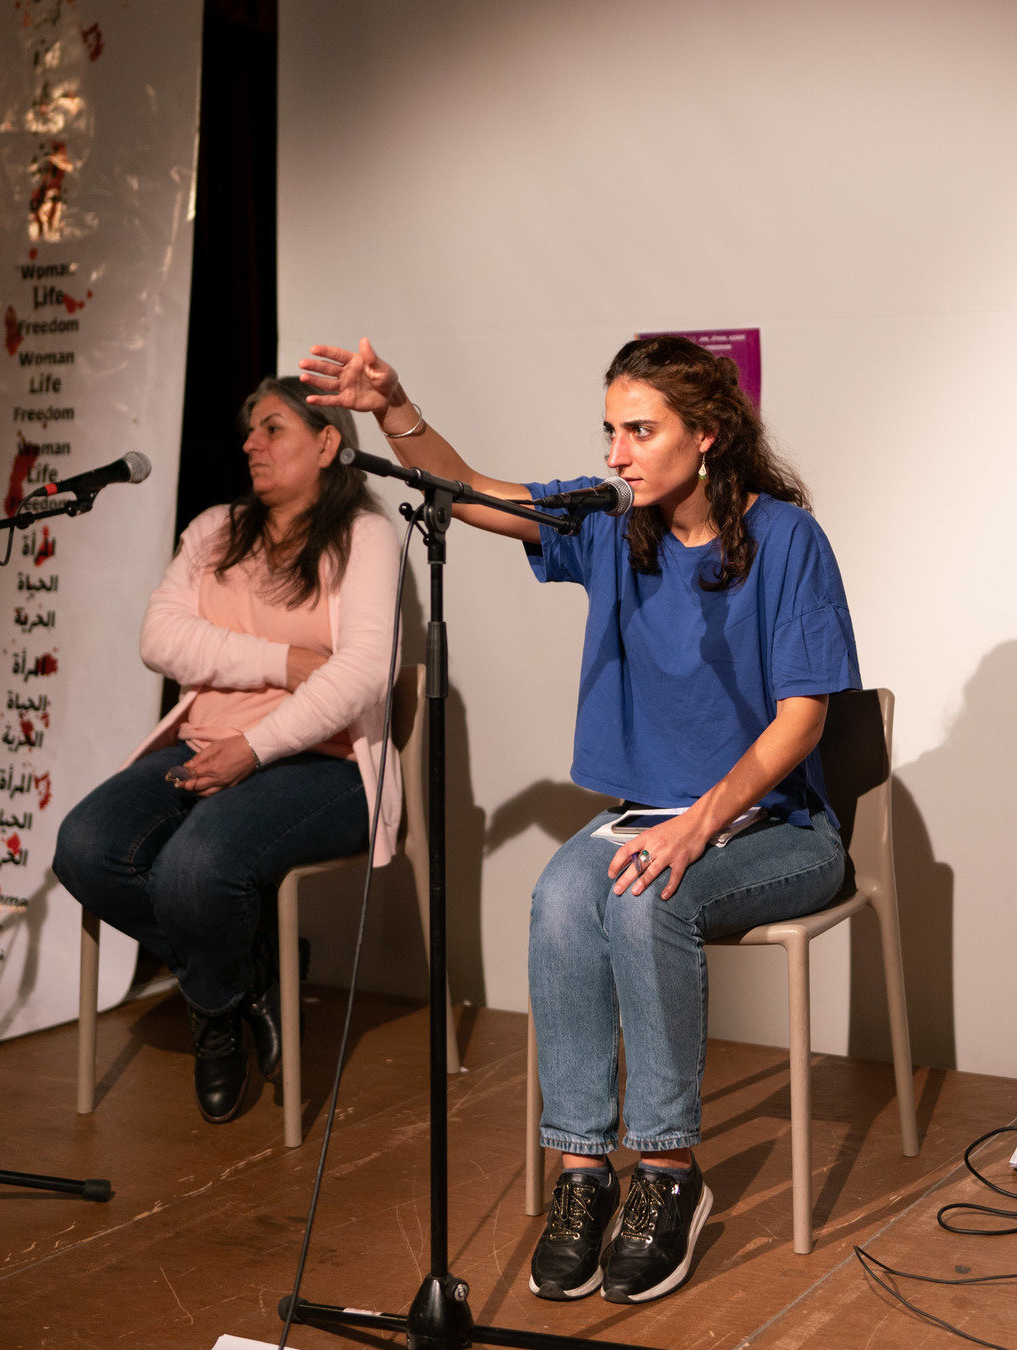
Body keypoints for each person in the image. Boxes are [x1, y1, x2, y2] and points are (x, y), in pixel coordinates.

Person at [300, 335, 861, 1305]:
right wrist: (393, 408)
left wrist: (696, 827)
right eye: (609, 431)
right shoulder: (610, 524)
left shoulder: (786, 539)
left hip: (779, 830)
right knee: (562, 899)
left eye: (639, 431)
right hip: (647, 817)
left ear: (707, 433)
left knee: (646, 898)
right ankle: (582, 1173)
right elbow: (471, 494)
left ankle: (668, 1172)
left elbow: (801, 720)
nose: (615, 454)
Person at [52, 377, 401, 1124]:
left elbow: (365, 672)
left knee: (196, 868)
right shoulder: (215, 529)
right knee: (85, 847)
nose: (251, 444)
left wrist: (256, 745)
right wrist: (283, 661)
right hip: (204, 741)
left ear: (327, 443)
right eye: (250, 430)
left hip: (328, 763)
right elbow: (161, 640)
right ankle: (240, 985)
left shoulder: (365, 536)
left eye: (273, 428)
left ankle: (214, 1020)